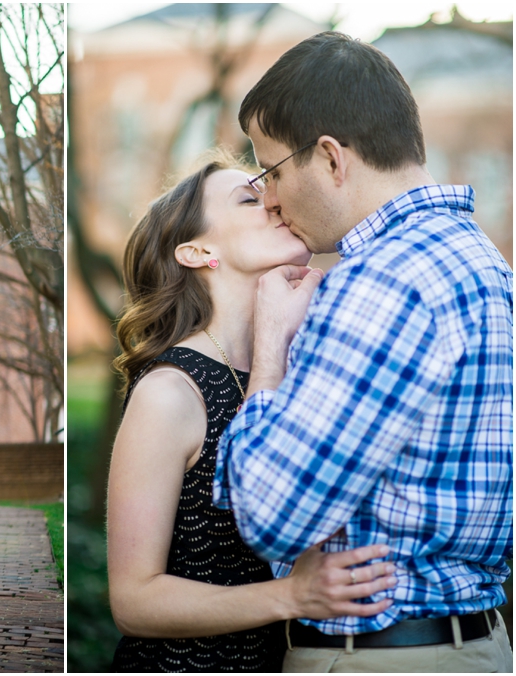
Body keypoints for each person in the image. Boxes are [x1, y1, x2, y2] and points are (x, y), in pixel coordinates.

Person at [213, 32, 513, 672]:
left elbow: (272, 514)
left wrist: (268, 356)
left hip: (378, 655)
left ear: (329, 157)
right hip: (473, 644)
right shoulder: (486, 265)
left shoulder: (382, 280)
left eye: (270, 170)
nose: (267, 197)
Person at [107, 148, 400, 673]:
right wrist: (291, 596)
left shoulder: (309, 363)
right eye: (249, 197)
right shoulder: (171, 391)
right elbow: (133, 601)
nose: (275, 200)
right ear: (196, 252)